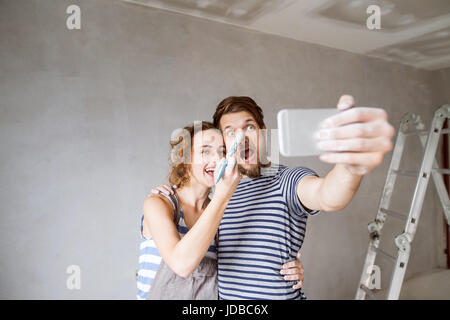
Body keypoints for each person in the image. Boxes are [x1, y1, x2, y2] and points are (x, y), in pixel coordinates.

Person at [153, 94, 395, 300]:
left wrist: (350, 165)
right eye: (230, 131)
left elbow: (329, 195)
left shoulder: (285, 180)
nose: (242, 137)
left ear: (263, 133)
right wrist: (168, 194)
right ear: (224, 144)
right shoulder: (218, 195)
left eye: (249, 127)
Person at [136, 121, 305, 300]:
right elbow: (181, 264)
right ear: (184, 159)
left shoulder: (224, 212)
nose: (217, 159)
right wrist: (222, 196)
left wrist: (290, 267)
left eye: (222, 152)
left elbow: (248, 261)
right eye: (205, 151)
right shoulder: (159, 204)